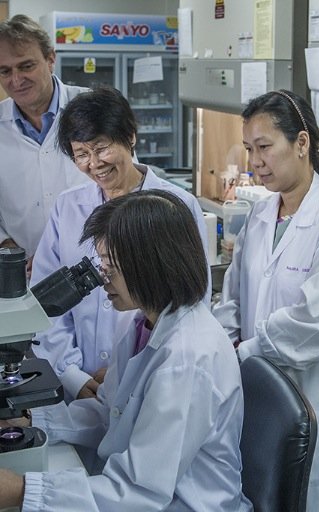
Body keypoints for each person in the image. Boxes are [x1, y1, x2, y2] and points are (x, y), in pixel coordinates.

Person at [0, 190, 252, 512]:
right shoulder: (143, 326)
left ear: (151, 265)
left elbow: (138, 493)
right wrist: (29, 419)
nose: (102, 278)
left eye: (110, 265)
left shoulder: (187, 359)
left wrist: (22, 491)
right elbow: (109, 412)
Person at [212, 90, 319, 512]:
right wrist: (216, 343)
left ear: (302, 143)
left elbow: (318, 325)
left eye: (265, 147)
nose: (255, 161)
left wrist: (247, 350)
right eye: (250, 149)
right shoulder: (261, 216)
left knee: (316, 497)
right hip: (260, 394)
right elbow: (235, 296)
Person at [30, 86, 210, 402]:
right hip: (77, 382)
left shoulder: (176, 205)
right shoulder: (67, 207)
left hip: (152, 377)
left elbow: (191, 300)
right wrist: (72, 375)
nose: (94, 163)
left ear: (130, 137)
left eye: (101, 148)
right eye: (81, 154)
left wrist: (128, 371)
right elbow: (45, 302)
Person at [0, 14, 89, 269]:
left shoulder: (93, 108)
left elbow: (127, 191)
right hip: (22, 273)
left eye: (26, 66)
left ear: (51, 59)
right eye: (5, 71)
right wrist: (6, 246)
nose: (16, 80)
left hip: (96, 271)